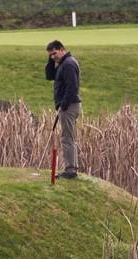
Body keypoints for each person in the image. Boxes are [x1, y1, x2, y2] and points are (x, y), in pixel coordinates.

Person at [45, 40, 82, 179]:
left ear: (62, 49)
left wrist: (63, 105)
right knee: (68, 137)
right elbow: (49, 76)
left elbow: (72, 87)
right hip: (67, 105)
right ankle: (71, 168)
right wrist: (51, 60)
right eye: (50, 55)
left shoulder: (69, 64)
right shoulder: (62, 64)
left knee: (67, 138)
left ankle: (70, 170)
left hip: (69, 106)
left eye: (54, 53)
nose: (53, 57)